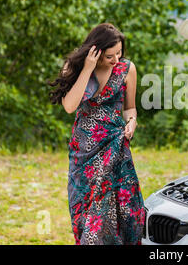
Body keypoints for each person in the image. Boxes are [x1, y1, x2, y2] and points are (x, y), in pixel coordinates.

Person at [49, 23, 145, 245]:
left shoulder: (127, 69)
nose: (116, 59)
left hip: (115, 146)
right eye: (110, 55)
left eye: (119, 53)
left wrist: (132, 121)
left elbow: (130, 108)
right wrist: (86, 68)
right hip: (84, 153)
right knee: (84, 210)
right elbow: (70, 106)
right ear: (96, 51)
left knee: (120, 210)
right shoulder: (74, 67)